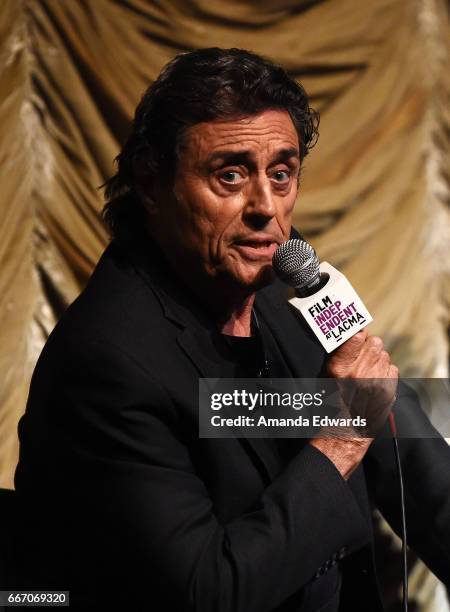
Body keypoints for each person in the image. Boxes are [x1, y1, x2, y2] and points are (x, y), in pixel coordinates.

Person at [13, 48, 450, 611]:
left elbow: (399, 445)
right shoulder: (109, 363)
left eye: (282, 174)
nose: (266, 207)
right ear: (151, 183)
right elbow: (208, 591)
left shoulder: (281, 294)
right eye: (230, 175)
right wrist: (341, 435)